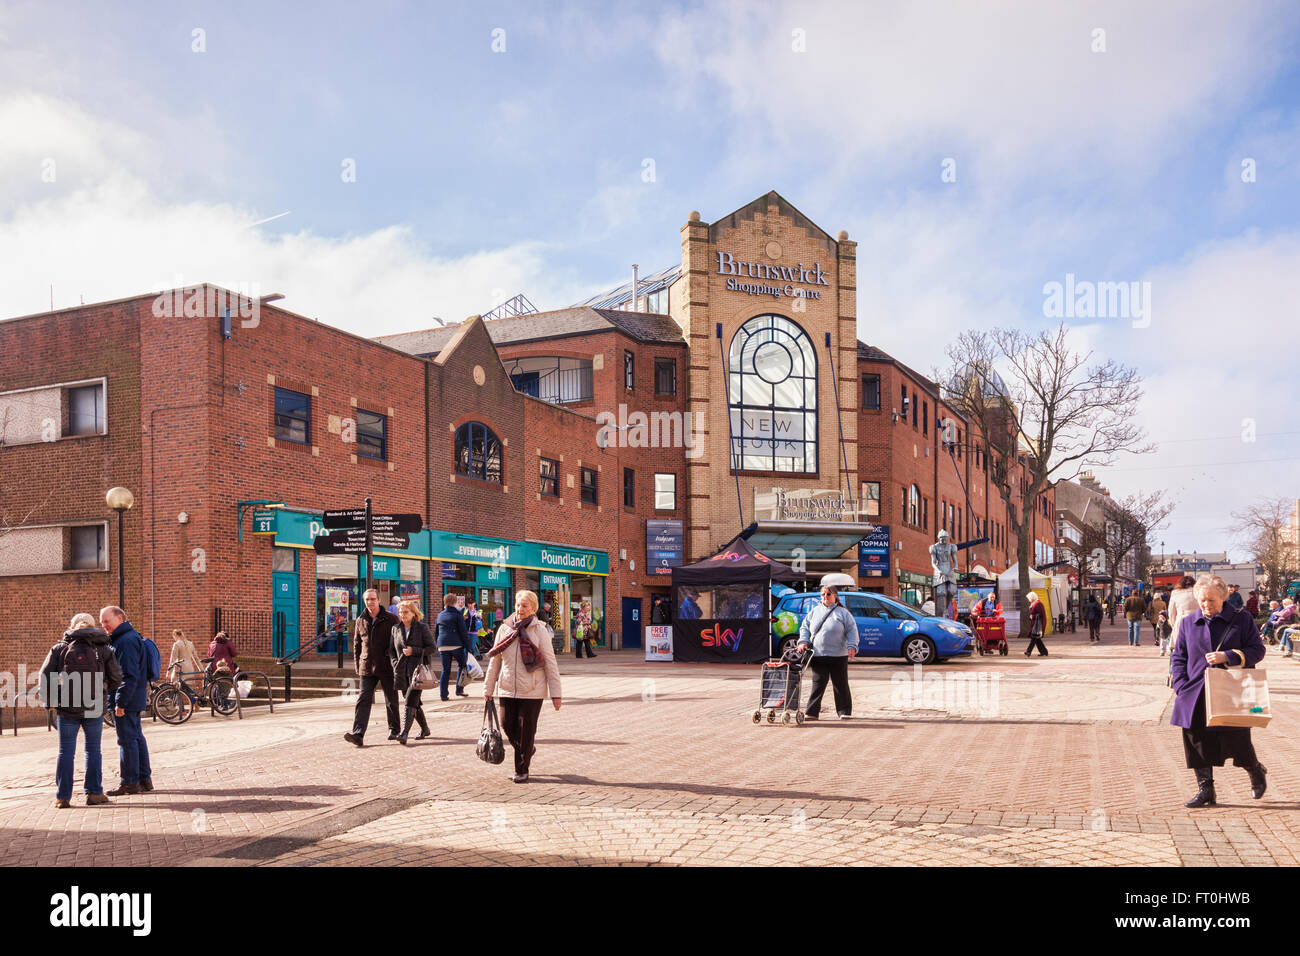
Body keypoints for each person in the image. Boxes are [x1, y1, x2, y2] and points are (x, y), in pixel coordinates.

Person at [1170, 574, 1267, 808]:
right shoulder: (1188, 623)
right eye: (1202, 600)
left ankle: (1255, 769)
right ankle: (1206, 790)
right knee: (1196, 739)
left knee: (1237, 740)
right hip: (1194, 690)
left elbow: (1257, 650)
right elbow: (1179, 656)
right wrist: (1181, 684)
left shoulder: (1241, 619)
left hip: (1229, 690)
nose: (1206, 605)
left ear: (1223, 597)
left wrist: (1229, 656)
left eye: (1212, 600)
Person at [38, 613, 123, 808]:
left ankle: (62, 796)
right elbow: (117, 677)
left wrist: (50, 701)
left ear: (72, 626)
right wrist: (102, 691)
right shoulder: (104, 649)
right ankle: (94, 793)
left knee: (65, 752)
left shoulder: (60, 648)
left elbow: (45, 676)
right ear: (93, 628)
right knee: (93, 750)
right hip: (94, 708)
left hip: (67, 708)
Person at [484, 590, 562, 783]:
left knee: (526, 730)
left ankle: (522, 768)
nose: (520, 609)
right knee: (506, 724)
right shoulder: (504, 629)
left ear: (533, 609)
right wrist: (488, 689)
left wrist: (556, 694)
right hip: (507, 685)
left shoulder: (540, 630)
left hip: (532, 689)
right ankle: (527, 750)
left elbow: (550, 662)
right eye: (518, 605)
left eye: (525, 605)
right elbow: (495, 661)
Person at [99, 606, 153, 796]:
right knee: (136, 737)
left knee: (126, 740)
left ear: (120, 618)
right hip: (135, 696)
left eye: (107, 621)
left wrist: (120, 702)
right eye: (102, 622)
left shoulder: (124, 641)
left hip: (126, 699)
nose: (104, 625)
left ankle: (130, 782)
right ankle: (144, 779)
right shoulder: (130, 637)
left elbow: (127, 675)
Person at [344, 589, 402, 746]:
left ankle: (394, 730)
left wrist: (393, 659)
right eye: (367, 599)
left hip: (386, 665)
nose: (370, 602)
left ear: (379, 600)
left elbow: (399, 641)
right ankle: (358, 733)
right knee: (363, 699)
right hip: (367, 665)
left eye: (373, 599)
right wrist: (358, 665)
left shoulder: (391, 619)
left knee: (391, 699)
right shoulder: (360, 620)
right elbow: (357, 644)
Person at [796, 585, 859, 720]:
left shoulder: (843, 613)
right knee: (818, 684)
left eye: (828, 594)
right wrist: (802, 641)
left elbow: (852, 630)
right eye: (823, 594)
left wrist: (852, 646)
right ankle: (812, 713)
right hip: (818, 654)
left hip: (838, 655)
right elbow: (805, 628)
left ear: (835, 596)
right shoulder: (815, 611)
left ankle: (844, 711)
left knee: (840, 684)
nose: (825, 597)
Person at [391, 600, 434, 743]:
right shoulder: (395, 629)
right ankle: (425, 729)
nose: (402, 615)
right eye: (400, 612)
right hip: (402, 672)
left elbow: (431, 648)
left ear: (414, 613)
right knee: (414, 702)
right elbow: (391, 650)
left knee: (410, 700)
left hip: (418, 671)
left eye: (405, 612)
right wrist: (395, 663)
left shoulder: (422, 627)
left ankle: (404, 733)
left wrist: (414, 651)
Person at [435, 592, 470, 700]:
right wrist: (468, 646)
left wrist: (438, 643)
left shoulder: (440, 615)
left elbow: (436, 632)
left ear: (444, 603)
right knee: (462, 665)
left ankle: (443, 695)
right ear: (455, 602)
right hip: (455, 645)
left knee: (445, 670)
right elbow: (463, 632)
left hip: (442, 645)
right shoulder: (457, 615)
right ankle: (459, 689)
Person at [1166, 576, 1199, 654]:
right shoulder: (1198, 592)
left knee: (1179, 651)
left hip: (1181, 621)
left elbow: (1171, 613)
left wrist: (1174, 625)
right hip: (1197, 621)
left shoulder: (1175, 593)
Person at [1024, 592, 1048, 656]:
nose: (1029, 600)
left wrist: (1032, 616)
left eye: (1029, 598)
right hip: (1036, 624)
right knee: (1037, 639)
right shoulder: (1035, 604)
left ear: (1032, 598)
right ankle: (1044, 651)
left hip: (1037, 625)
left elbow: (1040, 615)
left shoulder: (1038, 604)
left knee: (1034, 638)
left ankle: (1028, 651)